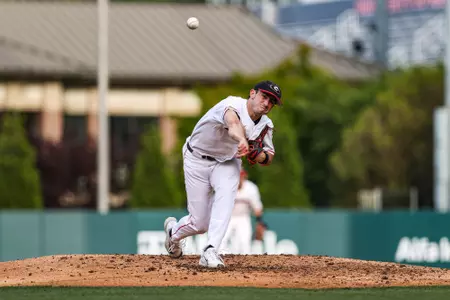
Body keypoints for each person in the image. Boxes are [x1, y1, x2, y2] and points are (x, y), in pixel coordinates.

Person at [164, 80, 282, 268]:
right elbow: (233, 123)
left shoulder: (266, 125)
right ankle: (173, 233)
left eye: (272, 101)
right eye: (264, 96)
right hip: (197, 158)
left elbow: (268, 156)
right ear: (252, 93)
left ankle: (210, 250)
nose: (267, 103)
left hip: (227, 161)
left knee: (226, 199)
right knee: (199, 223)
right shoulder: (232, 104)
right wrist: (242, 139)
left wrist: (257, 154)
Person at [220, 168, 264, 255]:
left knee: (245, 242)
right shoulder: (226, 187)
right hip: (227, 217)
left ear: (244, 176)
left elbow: (258, 208)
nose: (238, 178)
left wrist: (259, 223)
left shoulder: (251, 188)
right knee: (221, 241)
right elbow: (217, 207)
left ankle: (245, 267)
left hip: (243, 217)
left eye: (240, 176)